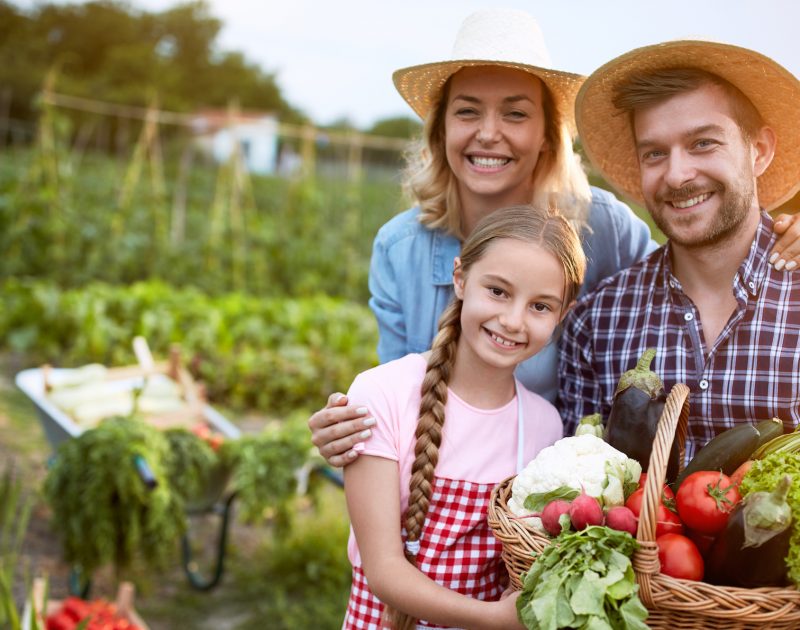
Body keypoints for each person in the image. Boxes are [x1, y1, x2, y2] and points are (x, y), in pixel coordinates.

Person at [308, 9, 800, 467]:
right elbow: (398, 398)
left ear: (547, 133)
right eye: (467, 112)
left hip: (539, 482)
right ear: (439, 129)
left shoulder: (600, 228)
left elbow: (697, 268)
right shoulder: (402, 250)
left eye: (516, 114)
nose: (489, 133)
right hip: (450, 487)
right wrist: (355, 428)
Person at [342, 205, 585, 630]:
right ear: (460, 279)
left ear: (562, 315)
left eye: (540, 306)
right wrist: (492, 618)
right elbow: (383, 571)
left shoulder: (544, 425)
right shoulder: (382, 393)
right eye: (498, 291)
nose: (512, 321)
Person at [559, 40, 800, 459]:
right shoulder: (596, 322)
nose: (677, 174)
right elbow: (578, 495)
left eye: (703, 143)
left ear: (759, 150)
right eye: (655, 153)